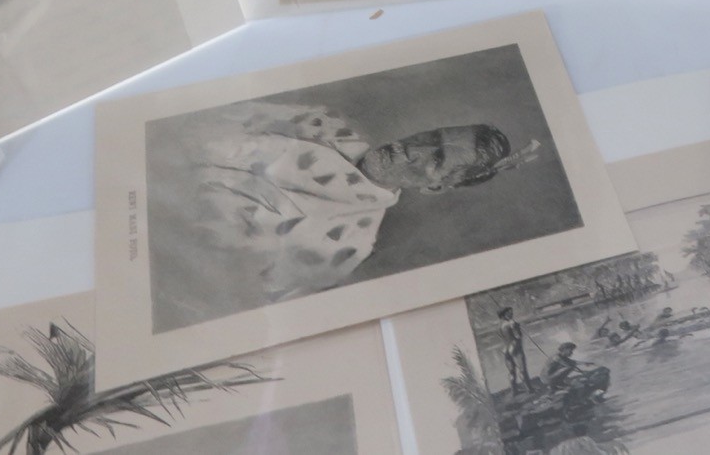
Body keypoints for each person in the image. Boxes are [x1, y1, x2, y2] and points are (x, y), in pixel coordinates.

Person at [182, 101, 533, 303]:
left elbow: (229, 287)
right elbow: (198, 120)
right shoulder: (323, 121)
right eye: (432, 135)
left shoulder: (346, 244)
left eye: (437, 157)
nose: (414, 146)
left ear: (436, 187)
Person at [498, 307, 530, 395]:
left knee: (511, 371)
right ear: (505, 314)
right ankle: (530, 389)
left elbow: (504, 337)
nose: (512, 314)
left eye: (511, 312)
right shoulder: (512, 323)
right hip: (515, 348)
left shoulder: (500, 325)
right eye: (509, 313)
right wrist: (517, 327)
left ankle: (514, 391)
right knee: (522, 369)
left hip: (506, 349)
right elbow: (518, 336)